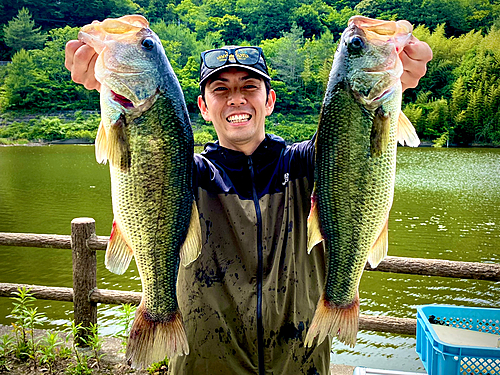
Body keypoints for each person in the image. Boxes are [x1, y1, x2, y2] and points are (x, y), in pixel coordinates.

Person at [65, 35, 432, 375]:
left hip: (299, 365)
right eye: (221, 90)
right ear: (204, 108)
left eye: (249, 87)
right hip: (204, 366)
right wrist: (109, 87)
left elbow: (350, 132)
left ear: (269, 101)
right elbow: (148, 148)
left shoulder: (307, 164)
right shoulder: (185, 173)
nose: (236, 99)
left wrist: (394, 83)